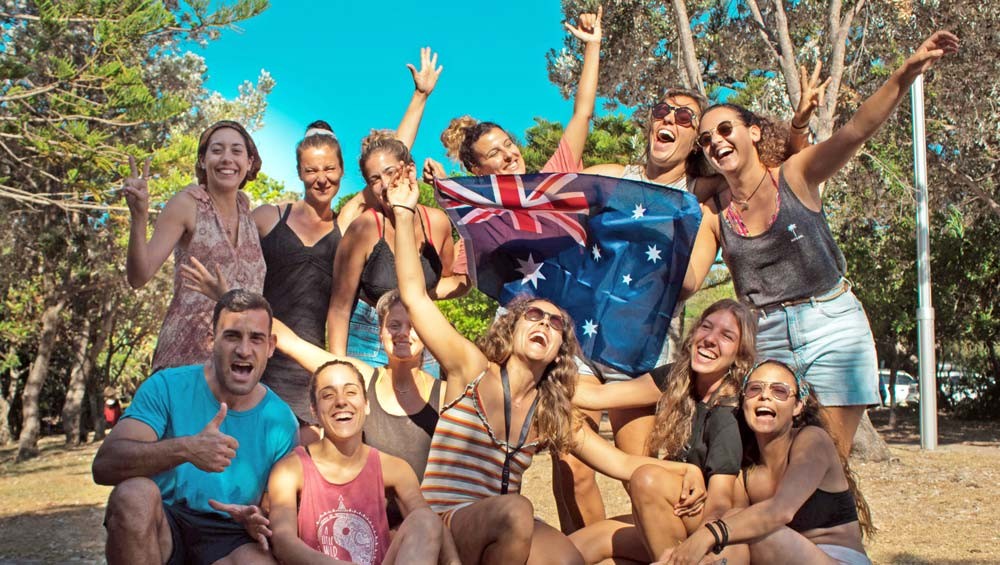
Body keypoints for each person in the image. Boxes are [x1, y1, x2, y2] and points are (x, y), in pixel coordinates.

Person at [387, 169, 707, 565]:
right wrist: (403, 215)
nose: (543, 323)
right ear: (512, 325)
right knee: (517, 509)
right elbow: (415, 298)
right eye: (534, 315)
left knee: (569, 557)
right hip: (443, 526)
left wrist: (683, 472)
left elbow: (620, 463)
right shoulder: (472, 368)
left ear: (561, 349)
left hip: (503, 531)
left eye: (556, 324)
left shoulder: (550, 411)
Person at [682, 31, 960, 455]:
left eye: (725, 129)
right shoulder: (713, 214)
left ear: (753, 133)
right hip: (767, 335)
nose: (716, 141)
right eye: (706, 139)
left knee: (827, 457)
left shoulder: (795, 175)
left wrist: (903, 75)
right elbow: (687, 282)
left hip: (832, 324)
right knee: (772, 458)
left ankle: (836, 523)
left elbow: (854, 132)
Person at [181, 48, 443, 430]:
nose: (322, 178)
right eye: (311, 170)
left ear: (340, 171)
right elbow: (227, 227)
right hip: (264, 355)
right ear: (300, 172)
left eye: (331, 169)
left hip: (313, 359)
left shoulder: (348, 221)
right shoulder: (272, 216)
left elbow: (390, 166)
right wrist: (202, 192)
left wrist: (419, 97)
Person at [92, 289, 298, 565]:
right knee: (133, 495)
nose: (244, 349)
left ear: (270, 346)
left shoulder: (281, 421)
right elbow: (105, 465)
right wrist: (186, 449)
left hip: (231, 534)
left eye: (256, 339)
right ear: (211, 340)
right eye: (232, 336)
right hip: (164, 522)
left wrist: (256, 518)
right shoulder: (166, 387)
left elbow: (276, 512)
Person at [567, 299, 756, 563]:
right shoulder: (680, 378)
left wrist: (699, 547)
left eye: (726, 336)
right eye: (706, 327)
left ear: (740, 354)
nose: (710, 339)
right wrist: (537, 375)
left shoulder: (728, 411)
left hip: (718, 531)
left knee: (647, 479)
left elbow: (721, 502)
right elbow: (598, 395)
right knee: (580, 545)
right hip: (676, 514)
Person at [655, 360, 875, 565]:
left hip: (837, 559)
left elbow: (780, 511)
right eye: (755, 389)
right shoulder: (746, 471)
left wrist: (705, 536)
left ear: (798, 406)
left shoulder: (812, 440)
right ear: (744, 402)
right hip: (777, 556)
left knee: (750, 531)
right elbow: (733, 531)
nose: (765, 397)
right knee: (735, 528)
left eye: (779, 391)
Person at [267, 289, 445, 528]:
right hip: (364, 521)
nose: (402, 333)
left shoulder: (444, 394)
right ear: (380, 332)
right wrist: (230, 301)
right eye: (394, 325)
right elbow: (293, 344)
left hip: (422, 523)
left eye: (412, 326)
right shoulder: (361, 378)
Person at [264, 360, 459, 565]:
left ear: (366, 404)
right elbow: (283, 542)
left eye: (350, 392)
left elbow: (429, 523)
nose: (341, 402)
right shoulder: (290, 470)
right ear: (313, 409)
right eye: (328, 395)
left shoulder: (394, 468)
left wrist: (454, 561)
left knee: (424, 519)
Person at [125, 120, 266, 372]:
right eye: (216, 150)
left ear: (249, 162)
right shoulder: (186, 205)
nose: (226, 158)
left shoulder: (246, 211)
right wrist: (139, 216)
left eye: (236, 151)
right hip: (185, 361)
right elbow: (138, 276)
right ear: (203, 160)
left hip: (237, 366)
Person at [326, 135, 459, 375]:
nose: (385, 184)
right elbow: (339, 308)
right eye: (375, 179)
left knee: (424, 409)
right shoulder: (363, 229)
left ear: (410, 170)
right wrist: (338, 369)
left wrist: (419, 296)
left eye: (390, 172)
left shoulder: (438, 223)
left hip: (421, 332)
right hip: (369, 334)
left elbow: (449, 279)